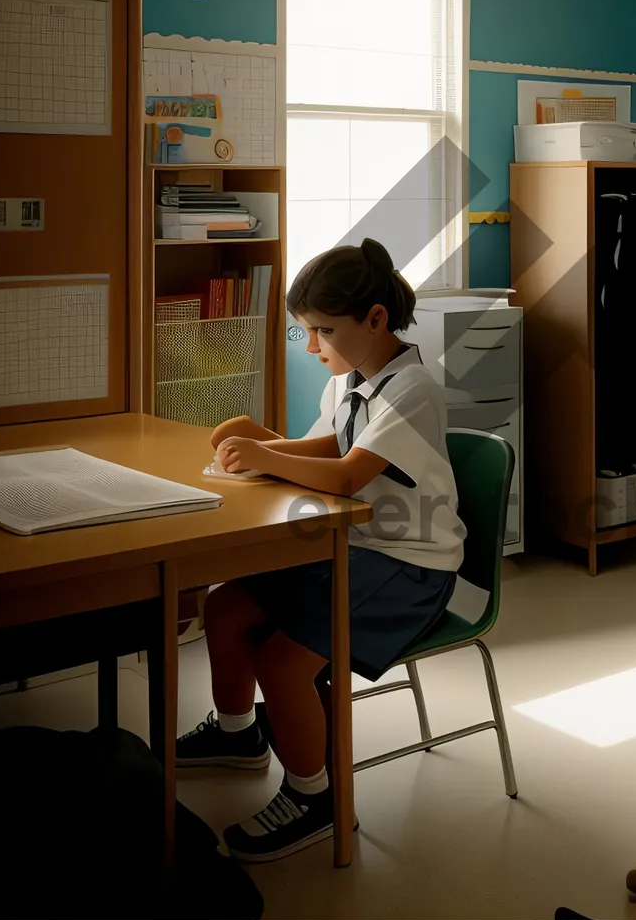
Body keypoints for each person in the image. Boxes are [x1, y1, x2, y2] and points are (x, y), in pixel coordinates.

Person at [175, 239, 463, 862]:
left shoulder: (411, 388)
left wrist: (263, 454)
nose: (312, 347)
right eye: (307, 331)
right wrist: (263, 445)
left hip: (410, 567)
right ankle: (238, 734)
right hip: (354, 550)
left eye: (322, 331)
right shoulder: (351, 380)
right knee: (225, 607)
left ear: (376, 320)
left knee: (282, 663)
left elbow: (348, 476)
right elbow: (326, 449)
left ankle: (316, 798)